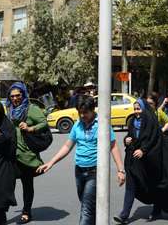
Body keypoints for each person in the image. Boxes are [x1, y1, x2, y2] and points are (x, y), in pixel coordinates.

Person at [37, 95, 126, 225]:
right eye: (80, 112)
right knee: (88, 205)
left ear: (92, 110)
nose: (82, 115)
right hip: (79, 171)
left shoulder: (102, 124)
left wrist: (121, 170)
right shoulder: (77, 125)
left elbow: (113, 147)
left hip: (95, 172)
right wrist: (51, 162)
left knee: (86, 209)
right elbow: (67, 146)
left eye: (85, 112)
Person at [114, 98, 168, 223]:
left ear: (144, 108)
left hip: (150, 161)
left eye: (139, 108)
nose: (136, 111)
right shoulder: (132, 122)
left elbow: (154, 138)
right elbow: (130, 135)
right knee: (131, 185)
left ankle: (157, 209)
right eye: (135, 109)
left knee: (155, 186)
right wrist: (126, 140)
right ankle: (124, 215)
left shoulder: (151, 121)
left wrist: (143, 150)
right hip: (134, 160)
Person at [6, 82, 48, 224]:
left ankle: (26, 211)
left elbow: (44, 123)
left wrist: (30, 128)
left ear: (23, 94)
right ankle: (2, 209)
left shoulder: (31, 109)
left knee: (27, 184)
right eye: (12, 96)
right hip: (11, 153)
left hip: (26, 154)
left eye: (18, 95)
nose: (15, 98)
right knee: (6, 182)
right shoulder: (9, 109)